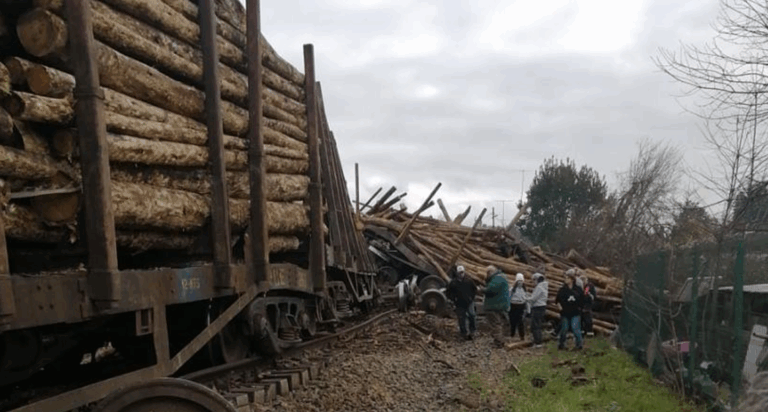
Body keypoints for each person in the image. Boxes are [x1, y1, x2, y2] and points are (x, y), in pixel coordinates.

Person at [446, 265, 478, 340]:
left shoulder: (469, 280)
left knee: (472, 315)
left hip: (469, 302)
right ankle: (464, 333)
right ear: (457, 273)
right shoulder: (453, 283)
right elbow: (448, 292)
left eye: (462, 272)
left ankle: (472, 330)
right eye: (460, 273)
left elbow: (474, 289)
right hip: (459, 303)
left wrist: (472, 297)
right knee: (461, 318)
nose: (461, 274)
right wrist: (453, 299)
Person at [556, 269, 584, 350]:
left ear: (572, 279)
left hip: (575, 312)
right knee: (564, 329)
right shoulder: (562, 290)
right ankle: (561, 344)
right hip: (565, 313)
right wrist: (560, 308)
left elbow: (582, 300)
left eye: (567, 278)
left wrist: (580, 308)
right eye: (565, 278)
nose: (565, 280)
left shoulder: (578, 289)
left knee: (575, 328)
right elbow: (557, 300)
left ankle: (579, 345)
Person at [483, 265, 510, 346]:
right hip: (500, 304)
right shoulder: (501, 277)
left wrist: (482, 290)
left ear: (490, 272)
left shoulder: (497, 279)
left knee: (496, 324)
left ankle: (499, 341)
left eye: (487, 273)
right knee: (499, 323)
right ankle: (499, 339)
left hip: (495, 305)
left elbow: (491, 289)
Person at [527, 265, 548, 348]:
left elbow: (533, 298)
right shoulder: (543, 286)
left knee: (535, 325)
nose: (533, 282)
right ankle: (538, 341)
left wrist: (525, 298)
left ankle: (538, 342)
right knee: (537, 324)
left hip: (538, 307)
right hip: (541, 307)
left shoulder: (539, 287)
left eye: (534, 280)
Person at [508, 273, 529, 340]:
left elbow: (509, 296)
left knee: (516, 321)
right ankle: (518, 335)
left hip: (516, 305)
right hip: (517, 305)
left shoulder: (514, 289)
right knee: (517, 321)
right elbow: (526, 298)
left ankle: (516, 335)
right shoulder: (521, 289)